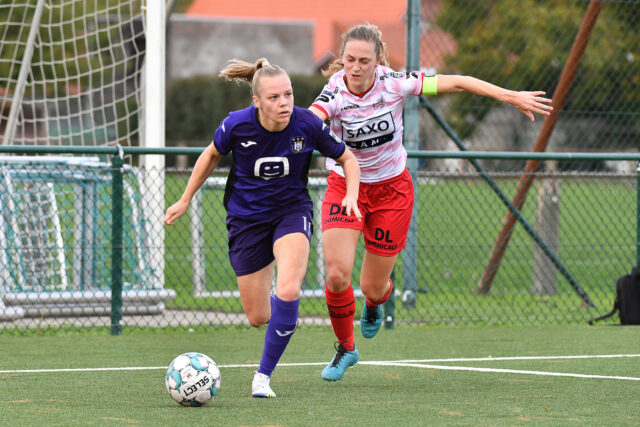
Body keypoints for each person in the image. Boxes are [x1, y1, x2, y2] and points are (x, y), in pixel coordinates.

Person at [309, 24, 553, 381]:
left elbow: (457, 82)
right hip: (345, 187)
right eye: (349, 60)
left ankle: (376, 302)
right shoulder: (333, 94)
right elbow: (307, 121)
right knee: (336, 274)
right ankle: (346, 349)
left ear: (378, 61)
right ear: (342, 59)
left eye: (364, 60)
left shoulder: (394, 82)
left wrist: (510, 96)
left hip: (392, 190)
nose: (356, 68)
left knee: (373, 287)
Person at [164, 58, 362, 397]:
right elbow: (211, 155)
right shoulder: (236, 125)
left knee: (288, 289)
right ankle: (285, 318)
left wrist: (353, 196)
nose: (284, 102)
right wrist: (184, 199)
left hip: (291, 212)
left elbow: (347, 158)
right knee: (258, 316)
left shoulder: (307, 124)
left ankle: (262, 377)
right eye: (274, 97)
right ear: (256, 101)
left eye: (288, 94)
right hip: (246, 220)